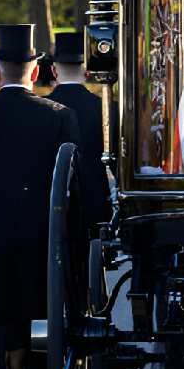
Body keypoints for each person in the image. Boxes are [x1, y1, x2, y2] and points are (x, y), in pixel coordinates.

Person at [0, 25, 80, 369]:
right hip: (41, 239)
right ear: (37, 70)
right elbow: (72, 190)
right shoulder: (59, 115)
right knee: (44, 330)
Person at [46, 32, 112, 236]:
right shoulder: (107, 109)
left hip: (52, 208)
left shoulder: (43, 110)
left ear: (53, 71)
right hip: (97, 206)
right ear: (87, 72)